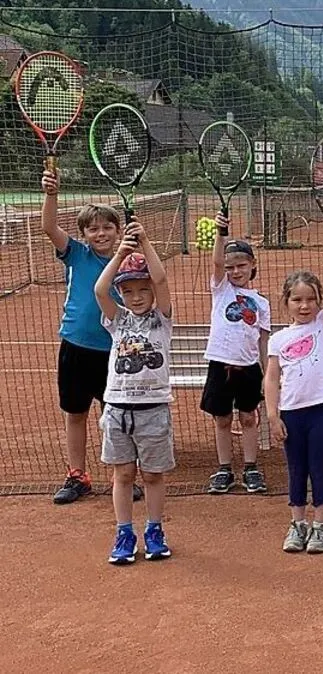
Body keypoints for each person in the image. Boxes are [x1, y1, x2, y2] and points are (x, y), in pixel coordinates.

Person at [40, 169, 143, 505]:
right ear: (83, 234)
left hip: (116, 350)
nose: (101, 233)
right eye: (93, 229)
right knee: (76, 413)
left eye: (107, 227)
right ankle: (77, 476)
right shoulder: (76, 254)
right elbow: (49, 227)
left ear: (118, 231)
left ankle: (123, 476)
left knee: (118, 415)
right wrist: (51, 194)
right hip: (75, 346)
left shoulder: (130, 261)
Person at [93, 221, 174, 564]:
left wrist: (145, 243)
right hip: (117, 409)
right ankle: (124, 532)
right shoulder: (118, 320)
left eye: (143, 290)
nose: (137, 297)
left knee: (153, 475)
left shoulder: (162, 319)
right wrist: (121, 253)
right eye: (129, 291)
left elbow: (162, 279)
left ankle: (154, 530)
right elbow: (100, 289)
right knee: (123, 474)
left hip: (153, 409)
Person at [265, 246, 323, 554]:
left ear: (318, 301)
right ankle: (297, 524)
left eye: (311, 299)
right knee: (296, 468)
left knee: (318, 466)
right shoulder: (278, 339)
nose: (304, 305)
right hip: (291, 414)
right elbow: (271, 378)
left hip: (322, 411)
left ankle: (320, 526)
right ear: (286, 302)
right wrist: (272, 415)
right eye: (297, 300)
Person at [201, 213, 271, 495]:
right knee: (222, 419)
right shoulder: (221, 290)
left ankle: (251, 467)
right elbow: (217, 262)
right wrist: (221, 233)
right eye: (230, 267)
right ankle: (224, 469)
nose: (235, 271)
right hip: (220, 364)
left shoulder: (261, 302)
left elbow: (263, 341)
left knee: (249, 417)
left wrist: (267, 374)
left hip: (249, 367)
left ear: (253, 265)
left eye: (241, 265)